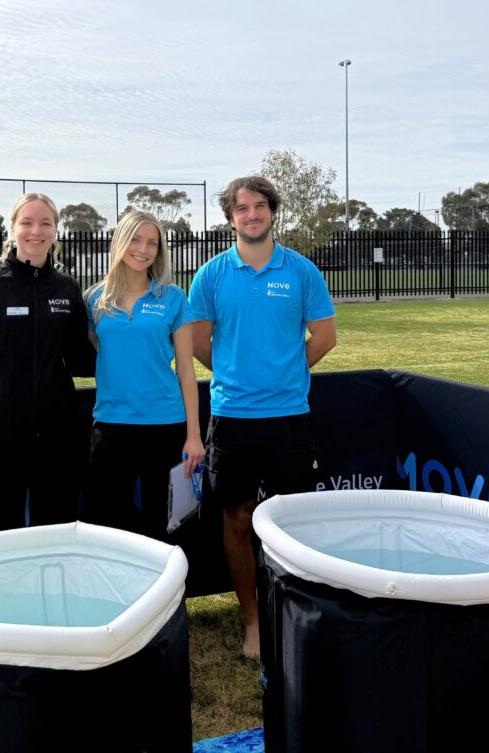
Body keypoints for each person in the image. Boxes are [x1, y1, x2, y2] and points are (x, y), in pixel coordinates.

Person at [188, 176, 337, 659]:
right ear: (230, 217)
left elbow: (325, 337)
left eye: (260, 206)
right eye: (241, 208)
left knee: (291, 524)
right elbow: (197, 342)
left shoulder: (301, 271)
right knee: (236, 518)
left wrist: (286, 373)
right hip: (232, 418)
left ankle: (291, 618)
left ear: (273, 212)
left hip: (290, 417)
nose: (251, 215)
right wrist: (236, 374)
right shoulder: (211, 275)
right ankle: (252, 623)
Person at [0, 192, 96, 532]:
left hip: (57, 439)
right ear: (13, 228)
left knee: (56, 534)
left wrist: (126, 334)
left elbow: (81, 361)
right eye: (27, 222)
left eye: (46, 223)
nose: (36, 231)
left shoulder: (67, 289)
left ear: (55, 231)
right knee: (1, 539)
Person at [83, 210, 206, 541]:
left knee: (163, 527)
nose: (143, 249)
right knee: (108, 526)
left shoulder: (173, 298)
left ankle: (170, 594)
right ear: (120, 242)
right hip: (111, 425)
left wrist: (194, 435)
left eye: (152, 242)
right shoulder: (95, 299)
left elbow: (185, 368)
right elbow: (95, 351)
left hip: (164, 425)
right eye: (135, 239)